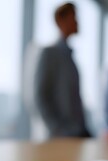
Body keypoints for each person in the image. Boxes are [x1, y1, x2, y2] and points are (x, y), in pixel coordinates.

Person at [34, 2, 90, 138]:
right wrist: (58, 130)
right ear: (61, 20)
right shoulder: (49, 54)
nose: (77, 22)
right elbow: (40, 96)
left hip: (78, 132)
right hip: (62, 136)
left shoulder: (70, 57)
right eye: (74, 17)